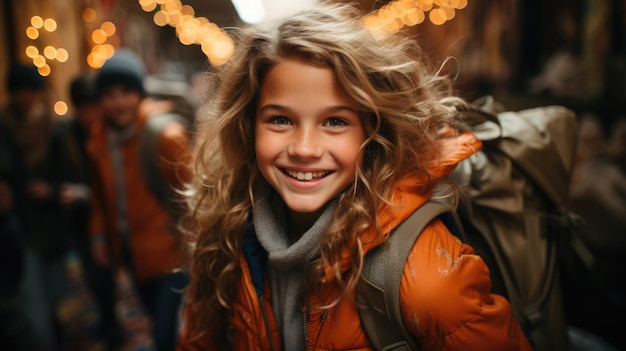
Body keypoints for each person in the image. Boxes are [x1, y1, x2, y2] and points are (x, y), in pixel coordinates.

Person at [176, 2, 532, 351]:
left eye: (335, 122)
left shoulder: (428, 279)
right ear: (247, 126)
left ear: (372, 131)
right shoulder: (226, 235)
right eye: (280, 119)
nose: (304, 148)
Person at [88, 48, 193, 351]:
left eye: (125, 92)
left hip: (169, 253)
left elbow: (193, 195)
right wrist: (98, 236)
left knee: (164, 333)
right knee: (152, 319)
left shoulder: (164, 135)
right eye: (109, 95)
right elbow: (100, 196)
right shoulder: (99, 140)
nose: (118, 101)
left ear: (139, 94)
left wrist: (198, 251)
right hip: (130, 253)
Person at [0, 63, 71, 350]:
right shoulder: (4, 127)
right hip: (20, 225)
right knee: (33, 303)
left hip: (52, 222)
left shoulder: (53, 128)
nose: (25, 98)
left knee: (56, 294)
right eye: (20, 91)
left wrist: (51, 191)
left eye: (30, 91)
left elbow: (69, 174)